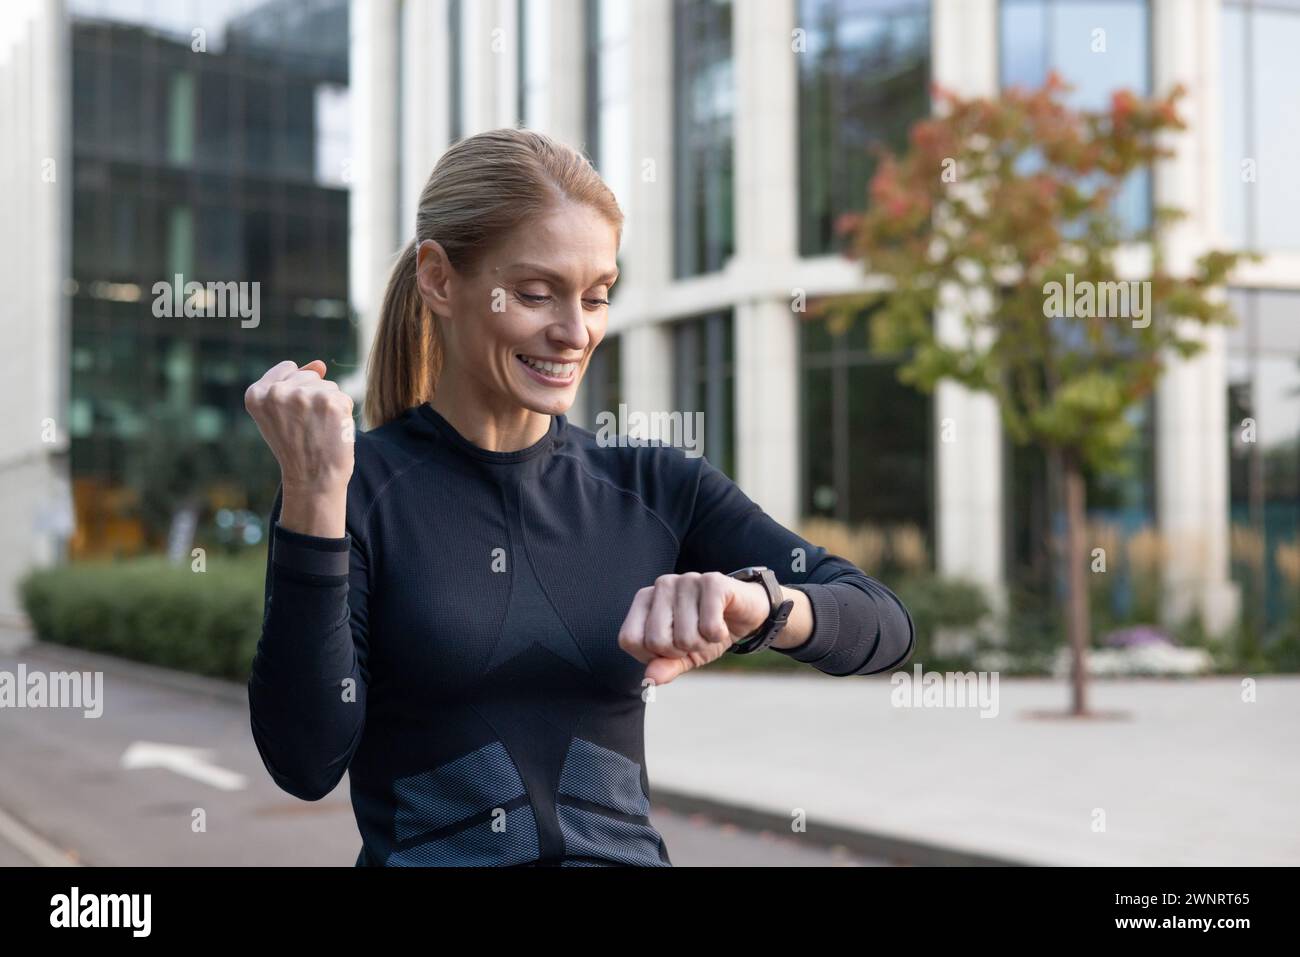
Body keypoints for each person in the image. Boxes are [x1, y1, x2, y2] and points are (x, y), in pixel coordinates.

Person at [244, 127, 914, 867]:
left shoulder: (653, 485)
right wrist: (311, 495)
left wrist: (763, 605)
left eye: (597, 296)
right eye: (536, 294)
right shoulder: (351, 489)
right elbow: (305, 761)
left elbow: (881, 621)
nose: (574, 332)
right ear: (439, 278)